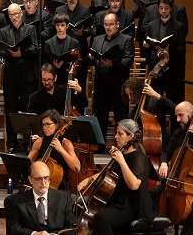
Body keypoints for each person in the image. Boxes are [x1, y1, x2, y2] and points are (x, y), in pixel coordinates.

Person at [77, 119, 153, 235]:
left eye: (120, 133)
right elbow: (108, 173)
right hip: (116, 201)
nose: (116, 136)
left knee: (102, 217)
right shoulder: (121, 153)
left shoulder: (138, 156)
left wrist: (121, 161)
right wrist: (89, 179)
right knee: (84, 208)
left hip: (130, 205)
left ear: (131, 136)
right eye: (116, 133)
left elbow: (134, 185)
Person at [154, 101, 193, 235]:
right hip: (178, 179)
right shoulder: (178, 133)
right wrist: (164, 164)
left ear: (192, 114)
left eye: (181, 116)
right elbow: (167, 151)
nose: (178, 119)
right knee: (153, 194)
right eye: (176, 116)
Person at [89, 12, 134, 150]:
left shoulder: (126, 39)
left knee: (120, 118)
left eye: (111, 24)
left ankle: (122, 148)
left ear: (117, 25)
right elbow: (92, 58)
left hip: (119, 86)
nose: (108, 27)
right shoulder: (97, 39)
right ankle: (100, 147)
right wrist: (91, 58)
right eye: (106, 24)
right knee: (100, 118)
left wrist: (113, 64)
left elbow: (128, 61)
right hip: (101, 85)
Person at [0, 3, 40, 152]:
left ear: (21, 14)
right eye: (11, 15)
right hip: (11, 77)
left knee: (28, 110)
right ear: (8, 16)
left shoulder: (30, 29)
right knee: (11, 110)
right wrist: (8, 52)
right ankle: (12, 144)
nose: (14, 17)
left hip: (27, 76)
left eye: (17, 14)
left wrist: (21, 54)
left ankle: (29, 143)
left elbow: (35, 47)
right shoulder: (3, 31)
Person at [26, 110, 81, 194]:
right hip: (39, 187)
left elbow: (77, 168)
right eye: (43, 125)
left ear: (57, 125)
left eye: (48, 124)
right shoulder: (39, 142)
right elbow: (27, 163)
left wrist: (61, 150)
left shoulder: (65, 143)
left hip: (59, 187)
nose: (45, 127)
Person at [43, 13, 81, 85]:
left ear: (67, 26)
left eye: (62, 25)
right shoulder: (48, 43)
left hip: (68, 78)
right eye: (57, 25)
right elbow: (46, 63)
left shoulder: (75, 43)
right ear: (55, 26)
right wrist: (54, 66)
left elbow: (78, 63)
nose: (60, 28)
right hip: (53, 79)